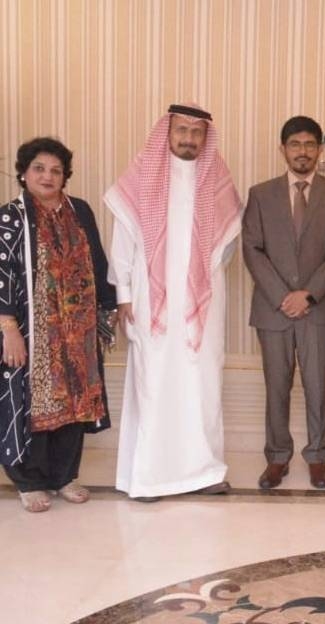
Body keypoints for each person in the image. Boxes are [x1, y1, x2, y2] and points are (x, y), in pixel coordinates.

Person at [106, 103, 243, 501]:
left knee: (203, 384)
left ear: (206, 136)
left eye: (196, 131)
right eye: (181, 130)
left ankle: (205, 472)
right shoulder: (141, 177)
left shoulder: (216, 176)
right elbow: (123, 242)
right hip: (151, 302)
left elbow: (228, 244)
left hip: (203, 304)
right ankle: (149, 477)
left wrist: (201, 278)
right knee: (153, 381)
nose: (188, 138)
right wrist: (125, 295)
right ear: (167, 132)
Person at [0, 137, 116, 512]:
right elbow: (2, 275)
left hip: (77, 329)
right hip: (32, 331)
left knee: (76, 402)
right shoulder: (11, 217)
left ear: (65, 175)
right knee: (31, 402)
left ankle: (64, 475)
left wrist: (108, 309)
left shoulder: (79, 210)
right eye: (39, 168)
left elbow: (97, 261)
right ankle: (29, 480)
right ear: (23, 172)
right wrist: (8, 328)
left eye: (56, 170)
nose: (48, 176)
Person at [243, 116, 325, 490]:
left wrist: (308, 294)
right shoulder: (261, 194)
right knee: (276, 385)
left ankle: (318, 457)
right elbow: (252, 249)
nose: (302, 151)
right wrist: (282, 297)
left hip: (319, 307)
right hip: (273, 309)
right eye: (295, 144)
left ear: (320, 150)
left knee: (316, 384)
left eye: (309, 144)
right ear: (283, 149)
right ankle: (277, 458)